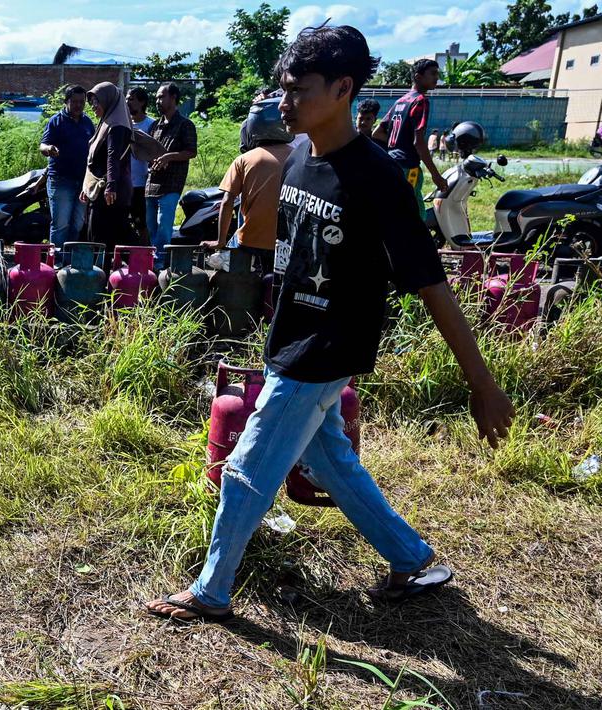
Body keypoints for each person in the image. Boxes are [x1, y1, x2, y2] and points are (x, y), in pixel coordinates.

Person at [145, 24, 514, 622]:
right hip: (289, 333)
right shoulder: (295, 160)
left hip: (327, 345)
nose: (284, 102)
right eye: (282, 89)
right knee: (331, 461)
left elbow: (431, 283)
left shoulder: (378, 179)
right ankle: (411, 558)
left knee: (247, 469)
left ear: (344, 89)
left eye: (299, 90)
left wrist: (481, 383)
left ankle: (212, 591)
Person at [201, 100, 293, 274]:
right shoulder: (300, 156)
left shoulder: (244, 160)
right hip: (287, 242)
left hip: (251, 241)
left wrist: (220, 241)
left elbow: (227, 203)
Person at [376, 59, 447, 218]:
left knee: (396, 210)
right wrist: (436, 175)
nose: (437, 77)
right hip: (408, 168)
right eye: (433, 74)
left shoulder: (400, 102)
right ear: (418, 77)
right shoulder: (420, 101)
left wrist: (397, 144)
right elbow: (419, 142)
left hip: (392, 165)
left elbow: (377, 132)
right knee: (414, 215)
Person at [146, 82, 197, 268]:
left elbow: (191, 151)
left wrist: (170, 156)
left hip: (171, 184)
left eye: (162, 97)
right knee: (151, 226)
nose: (158, 101)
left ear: (173, 98)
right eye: (157, 97)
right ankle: (154, 260)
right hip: (151, 183)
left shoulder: (185, 124)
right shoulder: (155, 126)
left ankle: (161, 264)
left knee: (164, 225)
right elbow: (149, 150)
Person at [40, 85, 94, 249]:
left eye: (81, 102)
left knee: (77, 223)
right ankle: (56, 260)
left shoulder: (87, 122)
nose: (78, 105)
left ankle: (70, 261)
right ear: (66, 102)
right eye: (74, 101)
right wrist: (49, 149)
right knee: (61, 224)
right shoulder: (56, 121)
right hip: (61, 180)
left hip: (83, 181)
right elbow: (43, 145)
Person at [81, 82, 132, 255]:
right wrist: (86, 187)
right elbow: (94, 160)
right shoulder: (105, 123)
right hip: (101, 190)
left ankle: (103, 276)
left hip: (111, 192)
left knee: (103, 238)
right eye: (92, 102)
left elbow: (113, 157)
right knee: (99, 235)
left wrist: (111, 186)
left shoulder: (116, 126)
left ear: (109, 101)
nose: (94, 106)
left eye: (97, 102)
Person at [127, 87, 155, 244]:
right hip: (124, 182)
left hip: (141, 183)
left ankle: (145, 254)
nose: (127, 103)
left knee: (141, 222)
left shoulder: (151, 125)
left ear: (142, 102)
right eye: (127, 99)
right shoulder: (124, 124)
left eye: (131, 99)